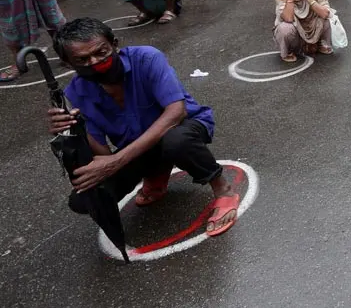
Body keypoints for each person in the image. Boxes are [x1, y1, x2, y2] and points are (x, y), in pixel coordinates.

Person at [46, 18, 240, 237]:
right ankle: (157, 173)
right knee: (85, 199)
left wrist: (116, 161)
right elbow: (103, 155)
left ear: (115, 44)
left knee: (176, 140)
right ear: (68, 64)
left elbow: (176, 112)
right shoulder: (76, 92)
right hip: (139, 147)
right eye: (82, 60)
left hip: (184, 129)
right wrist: (72, 130)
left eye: (101, 52)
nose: (95, 63)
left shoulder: (147, 58)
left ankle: (224, 190)